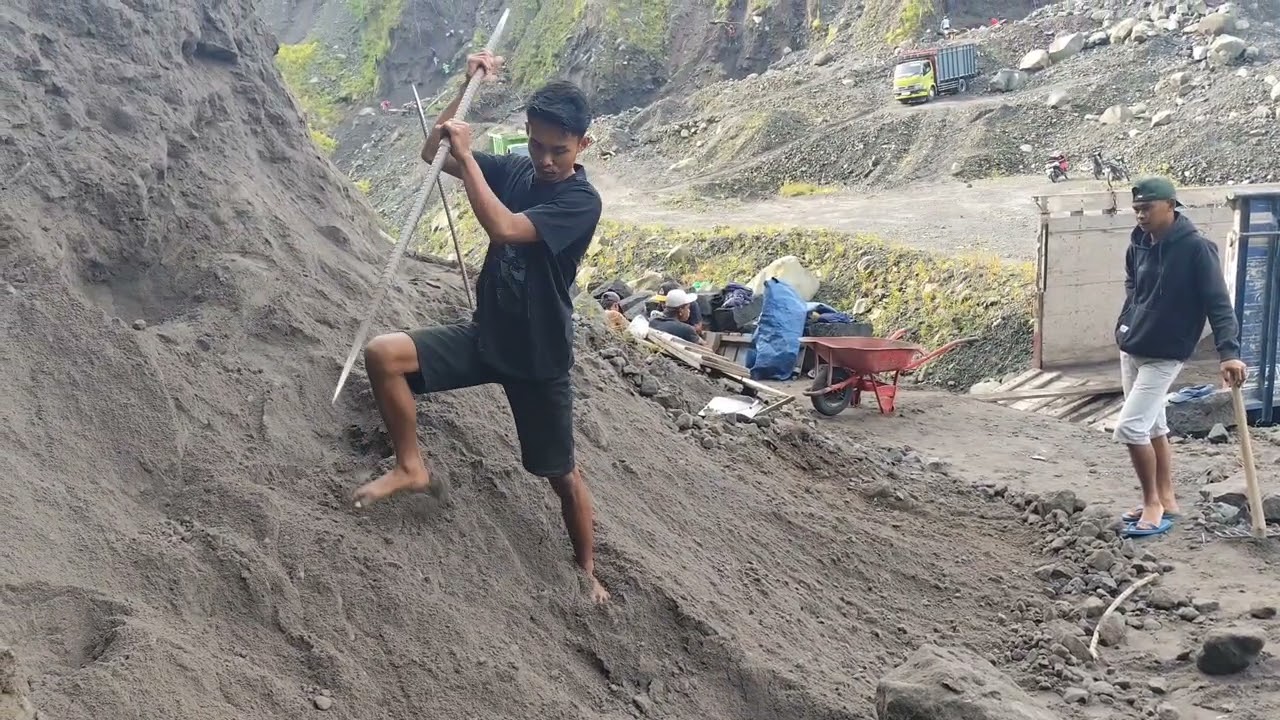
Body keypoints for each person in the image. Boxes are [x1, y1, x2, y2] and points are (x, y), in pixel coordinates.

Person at [353, 50, 609, 603]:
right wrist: (463, 90)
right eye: (537, 144)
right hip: (486, 337)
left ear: (583, 146)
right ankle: (410, 467)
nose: (544, 159)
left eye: (558, 150)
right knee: (382, 355)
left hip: (539, 361)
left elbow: (505, 227)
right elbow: (433, 152)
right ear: (527, 134)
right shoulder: (516, 168)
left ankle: (587, 571)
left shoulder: (579, 201)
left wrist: (469, 160)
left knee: (561, 475)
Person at [1113, 177, 1246, 537]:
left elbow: (1219, 304)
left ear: (1171, 206)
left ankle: (1152, 501)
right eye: (1137, 209)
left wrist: (1229, 354)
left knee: (1130, 427)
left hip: (1166, 353)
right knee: (1154, 426)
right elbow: (1132, 283)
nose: (1140, 215)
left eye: (1147, 208)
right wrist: (1132, 317)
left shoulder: (1196, 249)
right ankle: (1167, 498)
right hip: (1133, 347)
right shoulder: (1138, 243)